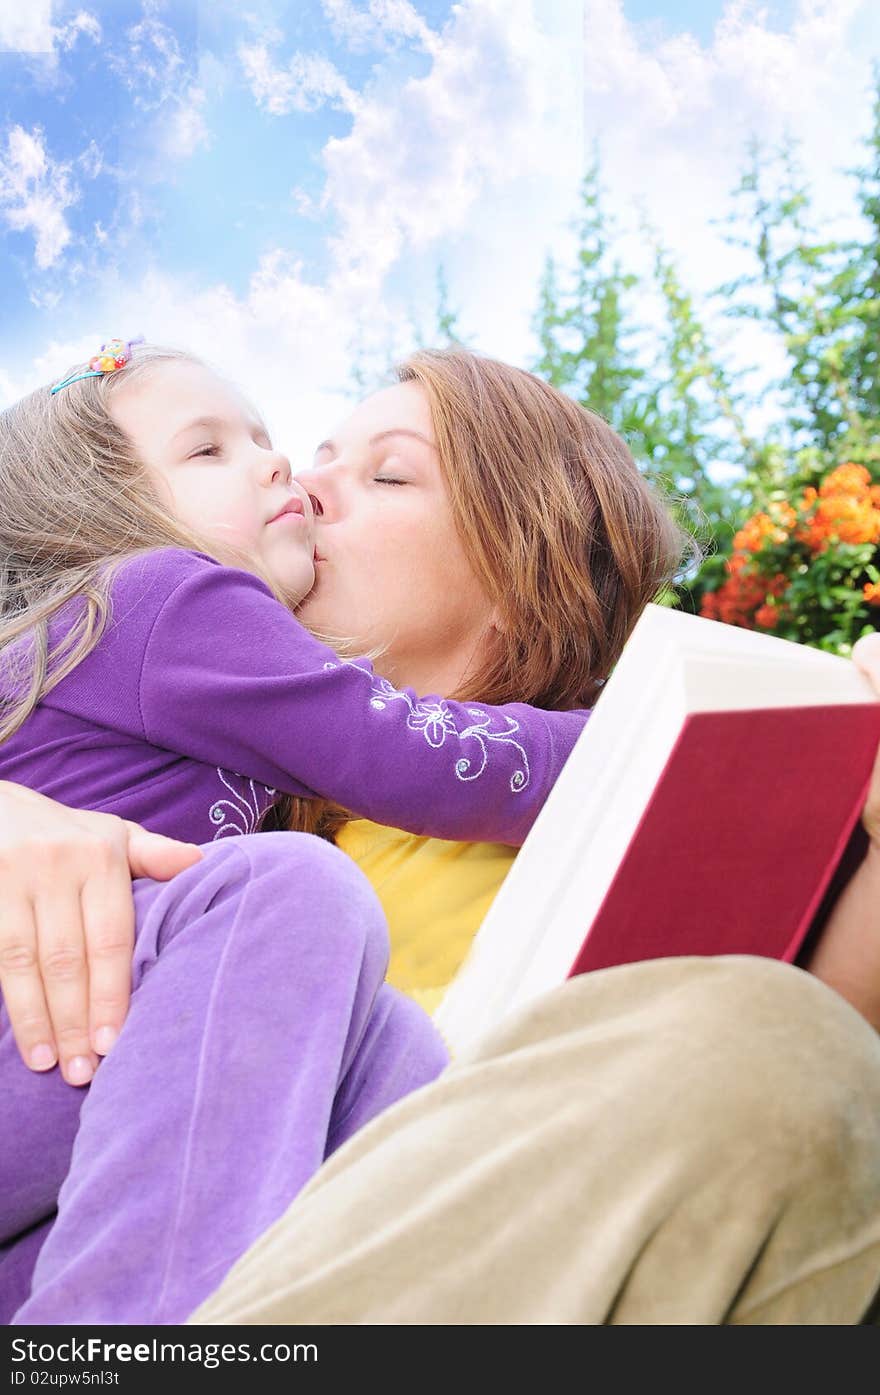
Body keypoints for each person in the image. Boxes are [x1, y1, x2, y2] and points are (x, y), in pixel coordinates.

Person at [0, 342, 685, 1323]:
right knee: (287, 900)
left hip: (63, 1098)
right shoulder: (170, 597)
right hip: (47, 1027)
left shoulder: (195, 704)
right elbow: (404, 755)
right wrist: (648, 731)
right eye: (209, 453)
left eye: (387, 471)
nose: (291, 474)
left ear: (521, 560)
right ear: (99, 511)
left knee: (383, 1044)